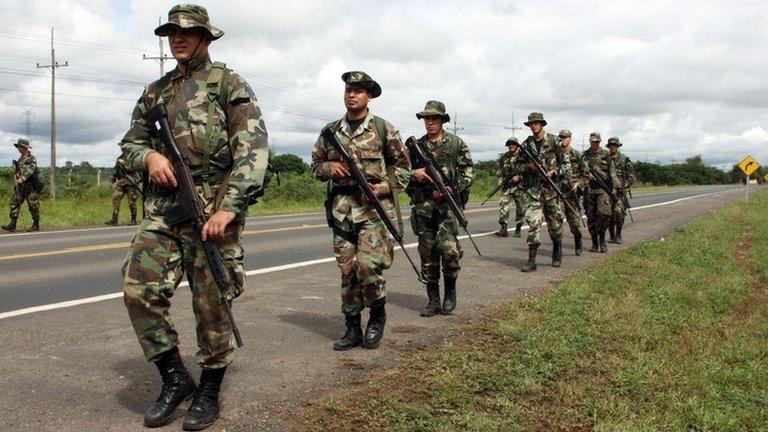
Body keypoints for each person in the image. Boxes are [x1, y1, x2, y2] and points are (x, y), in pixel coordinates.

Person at [119, 5, 269, 430]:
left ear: (206, 36)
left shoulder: (229, 83)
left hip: (212, 210)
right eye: (170, 32)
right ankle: (174, 377)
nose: (177, 38)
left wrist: (229, 207)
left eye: (186, 32)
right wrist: (147, 156)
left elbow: (253, 150)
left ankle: (209, 388)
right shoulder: (156, 92)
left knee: (213, 302)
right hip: (165, 209)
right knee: (138, 290)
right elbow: (129, 143)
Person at [311, 71, 411, 351]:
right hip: (342, 211)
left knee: (367, 267)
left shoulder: (382, 129)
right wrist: (329, 168)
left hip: (372, 212)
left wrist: (382, 188)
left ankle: (377, 316)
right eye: (348, 90)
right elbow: (315, 164)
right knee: (347, 272)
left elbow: (403, 170)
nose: (351, 94)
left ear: (369, 96)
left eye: (358, 90)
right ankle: (352, 327)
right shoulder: (331, 131)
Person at [406, 100, 474, 317]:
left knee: (449, 251)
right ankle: (433, 300)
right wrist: (413, 173)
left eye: (434, 118)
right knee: (428, 254)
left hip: (447, 208)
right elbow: (399, 170)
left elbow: (469, 172)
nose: (429, 122)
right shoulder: (414, 147)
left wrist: (450, 189)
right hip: (423, 208)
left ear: (442, 120)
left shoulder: (455, 144)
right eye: (426, 118)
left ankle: (450, 293)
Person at [513, 112, 568, 272]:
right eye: (531, 124)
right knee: (533, 224)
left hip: (551, 190)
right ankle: (531, 261)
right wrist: (527, 167)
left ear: (542, 124)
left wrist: (554, 172)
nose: (533, 126)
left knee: (554, 224)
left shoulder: (554, 141)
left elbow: (566, 164)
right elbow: (516, 165)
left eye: (536, 123)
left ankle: (557, 250)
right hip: (533, 191)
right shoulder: (526, 144)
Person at [582, 132, 620, 253]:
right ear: (589, 141)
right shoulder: (584, 155)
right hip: (589, 189)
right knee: (591, 217)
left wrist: (615, 186)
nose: (595, 144)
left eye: (597, 142)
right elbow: (580, 171)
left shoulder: (606, 154)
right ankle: (594, 243)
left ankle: (602, 241)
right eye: (593, 141)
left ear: (599, 142)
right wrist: (588, 175)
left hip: (603, 189)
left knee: (603, 215)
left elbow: (612, 172)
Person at [558, 129, 588, 255]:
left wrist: (578, 184)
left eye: (565, 137)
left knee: (575, 223)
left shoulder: (577, 155)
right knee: (556, 222)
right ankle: (557, 249)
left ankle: (578, 241)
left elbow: (586, 174)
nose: (562, 140)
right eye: (561, 137)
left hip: (572, 194)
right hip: (558, 193)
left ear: (570, 138)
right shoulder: (556, 154)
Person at [2, 138, 41, 233]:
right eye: (18, 147)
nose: (19, 149)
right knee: (14, 203)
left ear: (25, 148)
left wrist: (22, 178)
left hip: (31, 186)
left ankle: (36, 224)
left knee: (33, 206)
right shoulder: (21, 159)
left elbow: (31, 170)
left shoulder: (31, 158)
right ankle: (12, 224)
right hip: (21, 187)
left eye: (20, 147)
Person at [495, 137, 525, 238]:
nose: (511, 146)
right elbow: (499, 171)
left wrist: (519, 177)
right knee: (504, 206)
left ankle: (518, 228)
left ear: (517, 145)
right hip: (507, 185)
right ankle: (503, 228)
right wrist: (501, 182)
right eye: (509, 144)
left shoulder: (523, 156)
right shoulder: (504, 157)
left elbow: (528, 171)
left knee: (521, 208)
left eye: (513, 144)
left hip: (520, 187)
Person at [606, 136, 634, 244]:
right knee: (608, 214)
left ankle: (618, 235)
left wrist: (623, 187)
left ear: (617, 146)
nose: (613, 147)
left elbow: (631, 177)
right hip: (607, 190)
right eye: (611, 145)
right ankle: (612, 236)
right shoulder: (605, 158)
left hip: (620, 192)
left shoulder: (624, 159)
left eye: (615, 145)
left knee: (618, 212)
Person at [105, 154, 141, 225]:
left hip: (131, 184)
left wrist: (124, 164)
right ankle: (114, 220)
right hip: (121, 183)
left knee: (132, 203)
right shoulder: (119, 158)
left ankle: (133, 220)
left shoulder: (133, 157)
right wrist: (112, 181)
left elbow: (132, 169)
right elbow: (115, 171)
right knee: (115, 199)